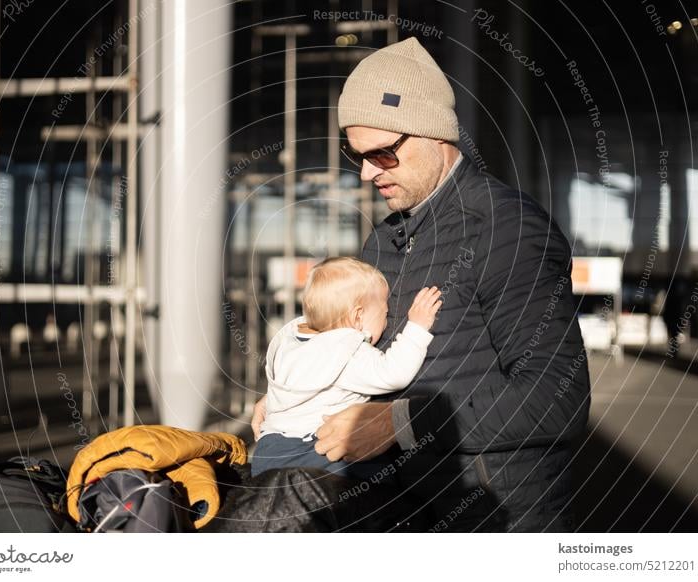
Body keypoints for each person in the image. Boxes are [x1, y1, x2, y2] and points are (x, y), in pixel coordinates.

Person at [253, 37, 591, 532]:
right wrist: (301, 395)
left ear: (434, 135)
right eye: (358, 156)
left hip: (498, 520)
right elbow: (356, 351)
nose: (368, 172)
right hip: (404, 511)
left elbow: (559, 399)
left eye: (383, 154)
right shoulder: (384, 239)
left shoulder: (506, 228)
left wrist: (401, 426)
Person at [251, 257, 441, 479]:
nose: (387, 323)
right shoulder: (346, 350)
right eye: (385, 314)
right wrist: (417, 327)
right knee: (381, 481)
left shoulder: (291, 342)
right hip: (311, 451)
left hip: (267, 452)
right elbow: (393, 373)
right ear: (357, 316)